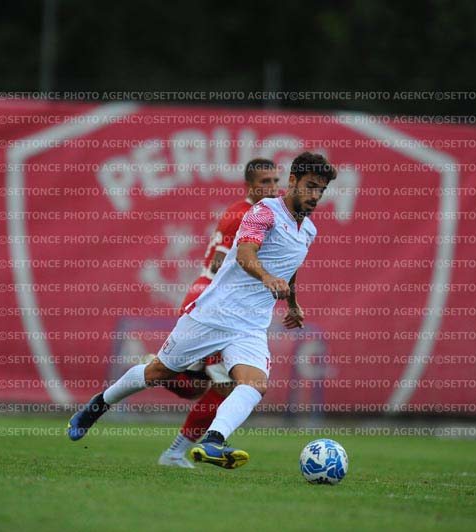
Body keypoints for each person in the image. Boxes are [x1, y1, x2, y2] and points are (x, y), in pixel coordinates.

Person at [68, 152, 337, 469]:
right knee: (160, 373)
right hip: (214, 314)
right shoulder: (263, 212)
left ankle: (213, 441)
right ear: (292, 181)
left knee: (254, 385)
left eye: (321, 190)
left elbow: (289, 266)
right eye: (310, 186)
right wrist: (266, 278)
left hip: (250, 327)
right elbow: (245, 255)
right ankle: (99, 405)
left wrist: (292, 303)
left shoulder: (308, 231)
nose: (315, 195)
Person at [157, 158, 280, 468]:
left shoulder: (256, 213)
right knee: (225, 387)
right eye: (265, 182)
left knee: (198, 386)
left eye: (276, 181)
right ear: (249, 186)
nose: (272, 188)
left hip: (221, 306)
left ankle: (159, 372)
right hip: (214, 307)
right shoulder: (243, 215)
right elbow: (218, 264)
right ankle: (175, 451)